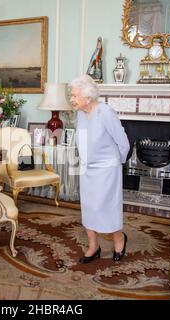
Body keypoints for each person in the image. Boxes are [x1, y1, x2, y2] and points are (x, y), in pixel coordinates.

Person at [70, 75, 130, 263]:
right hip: (88, 167)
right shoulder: (80, 112)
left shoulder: (105, 113)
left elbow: (123, 143)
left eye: (74, 96)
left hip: (107, 169)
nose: (72, 99)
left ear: (88, 97)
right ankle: (93, 246)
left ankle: (119, 238)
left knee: (107, 207)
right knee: (89, 208)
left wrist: (115, 164)